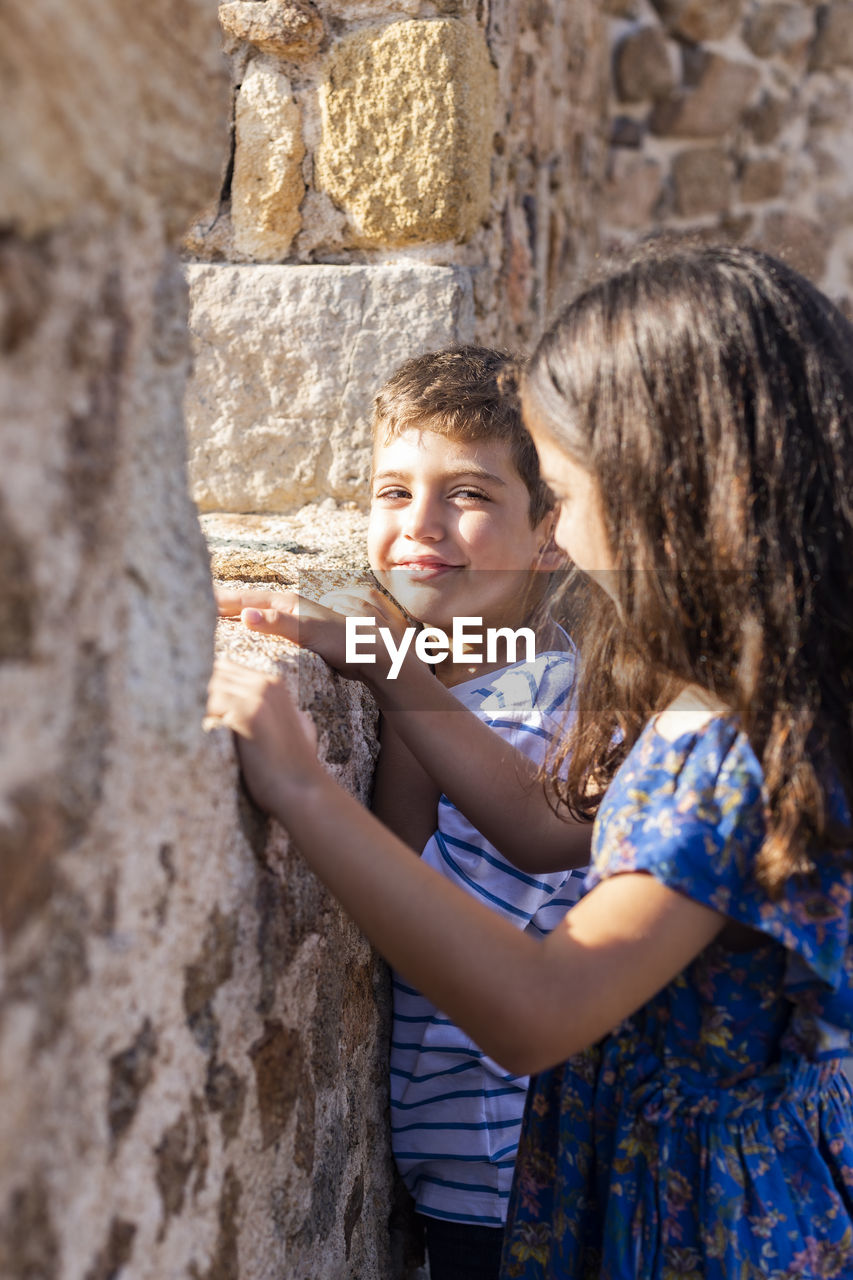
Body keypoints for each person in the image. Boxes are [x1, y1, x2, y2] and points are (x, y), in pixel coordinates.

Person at [208, 244, 853, 1278]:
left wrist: (300, 789)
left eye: (563, 480)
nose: (560, 513)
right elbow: (548, 828)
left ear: (663, 487)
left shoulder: (740, 742)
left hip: (707, 1228)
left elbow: (537, 1009)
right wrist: (375, 651)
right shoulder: (748, 690)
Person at [222, 346, 591, 1280]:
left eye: (467, 493)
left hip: (525, 1175)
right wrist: (402, 668)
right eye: (392, 492)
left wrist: (392, 667)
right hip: (454, 1171)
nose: (419, 525)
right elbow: (408, 843)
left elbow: (441, 886)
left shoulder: (559, 711)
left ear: (550, 532)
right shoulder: (470, 669)